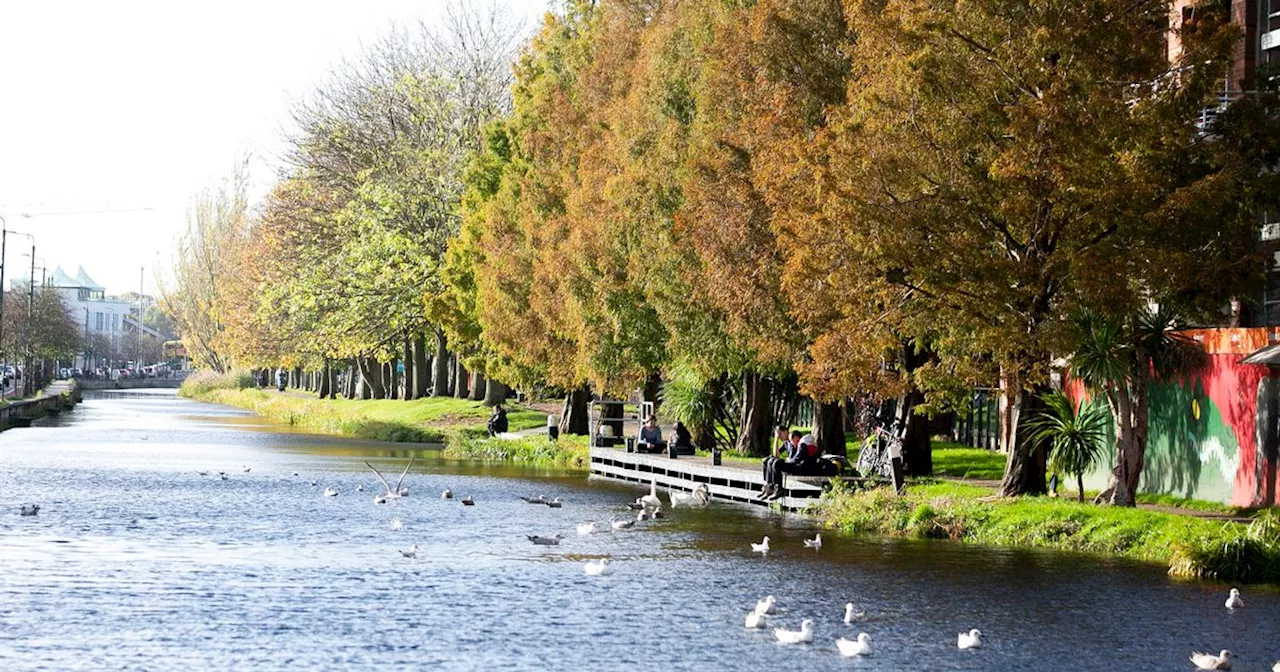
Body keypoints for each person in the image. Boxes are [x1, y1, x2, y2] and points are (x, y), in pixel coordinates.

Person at [761, 432, 823, 500]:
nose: (791, 442)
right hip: (802, 467)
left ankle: (779, 489)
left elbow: (797, 459)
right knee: (770, 461)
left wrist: (787, 461)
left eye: (792, 440)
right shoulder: (807, 444)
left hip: (803, 469)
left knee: (777, 463)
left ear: (797, 438)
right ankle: (770, 486)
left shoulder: (803, 445)